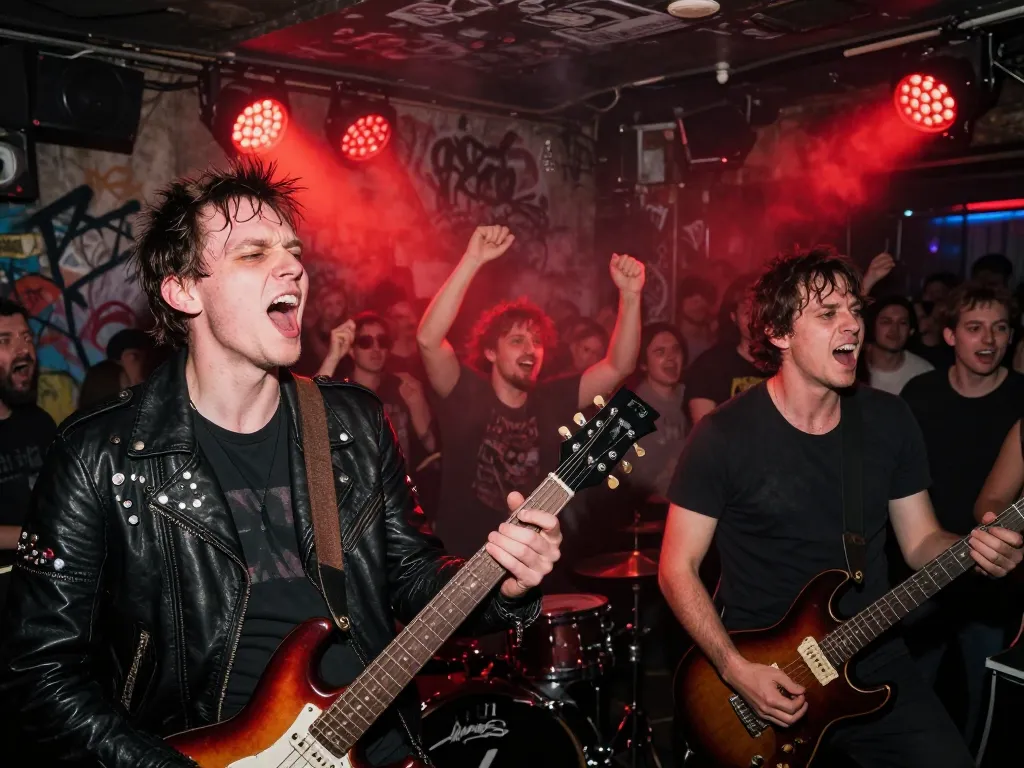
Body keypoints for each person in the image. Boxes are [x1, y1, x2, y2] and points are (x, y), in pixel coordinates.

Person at [0, 160, 563, 767]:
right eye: (253, 253)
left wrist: (502, 584)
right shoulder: (101, 455)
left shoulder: (351, 423)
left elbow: (413, 579)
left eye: (293, 249)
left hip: (375, 745)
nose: (292, 265)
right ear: (183, 288)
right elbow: (39, 672)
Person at [659, 246, 1023, 768]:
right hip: (764, 669)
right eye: (828, 313)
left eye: (855, 309)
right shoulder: (722, 435)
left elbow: (921, 542)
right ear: (780, 334)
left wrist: (977, 551)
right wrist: (736, 669)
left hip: (873, 653)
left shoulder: (888, 420)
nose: (852, 323)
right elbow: (677, 568)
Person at [416, 225, 643, 561]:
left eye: (537, 342)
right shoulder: (464, 392)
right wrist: (472, 260)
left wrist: (631, 295)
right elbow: (428, 340)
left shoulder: (552, 399)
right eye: (517, 340)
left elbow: (618, 367)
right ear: (490, 352)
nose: (530, 349)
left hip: (531, 567)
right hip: (461, 565)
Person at [900, 281, 1024, 748]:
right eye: (975, 328)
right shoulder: (919, 394)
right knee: (907, 694)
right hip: (922, 570)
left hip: (995, 580)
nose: (989, 340)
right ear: (950, 335)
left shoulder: (1021, 399)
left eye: (1000, 328)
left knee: (986, 703)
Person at [0, 300, 56, 611]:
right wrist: (39, 539)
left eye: (26, 337)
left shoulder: (38, 422)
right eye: (4, 341)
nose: (23, 350)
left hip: (39, 595)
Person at [682, 273, 764, 426]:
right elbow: (705, 435)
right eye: (747, 312)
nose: (754, 319)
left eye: (760, 310)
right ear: (734, 317)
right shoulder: (709, 367)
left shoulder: (784, 364)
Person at [862, 295, 933, 394]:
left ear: (911, 331)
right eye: (886, 322)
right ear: (872, 327)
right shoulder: (854, 368)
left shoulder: (924, 373)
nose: (894, 330)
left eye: (902, 323)